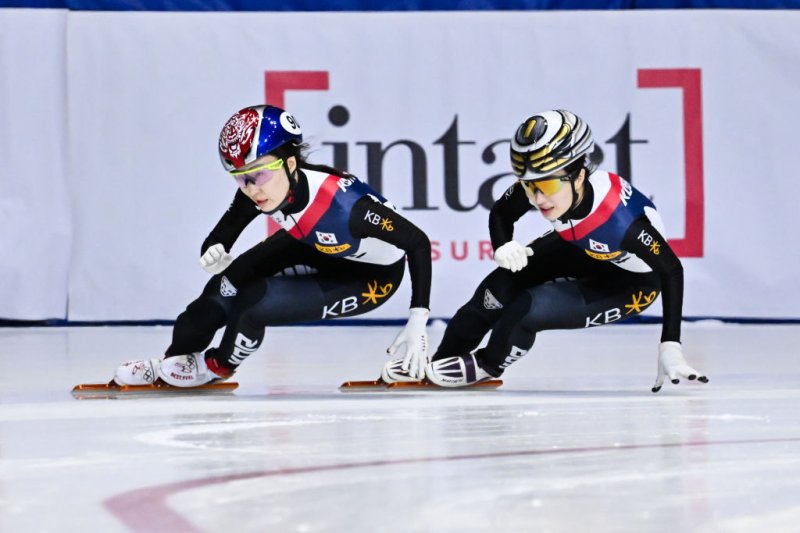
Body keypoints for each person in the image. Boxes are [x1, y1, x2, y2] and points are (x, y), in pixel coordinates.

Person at [113, 105, 432, 387]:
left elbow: (417, 242)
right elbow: (223, 235)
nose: (251, 189)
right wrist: (214, 250)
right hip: (312, 244)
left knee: (253, 303)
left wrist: (417, 321)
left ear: (291, 165)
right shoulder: (265, 184)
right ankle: (174, 362)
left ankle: (215, 367)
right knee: (222, 287)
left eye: (259, 174)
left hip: (371, 277)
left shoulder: (348, 209)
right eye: (240, 178)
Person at [425, 109, 708, 392]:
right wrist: (503, 244)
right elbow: (501, 213)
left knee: (526, 309)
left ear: (579, 175)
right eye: (529, 184)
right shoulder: (546, 182)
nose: (538, 198)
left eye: (546, 184)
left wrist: (671, 344)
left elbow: (671, 269)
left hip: (632, 284)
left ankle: (488, 365)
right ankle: (440, 360)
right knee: (496, 289)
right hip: (583, 248)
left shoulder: (620, 222)